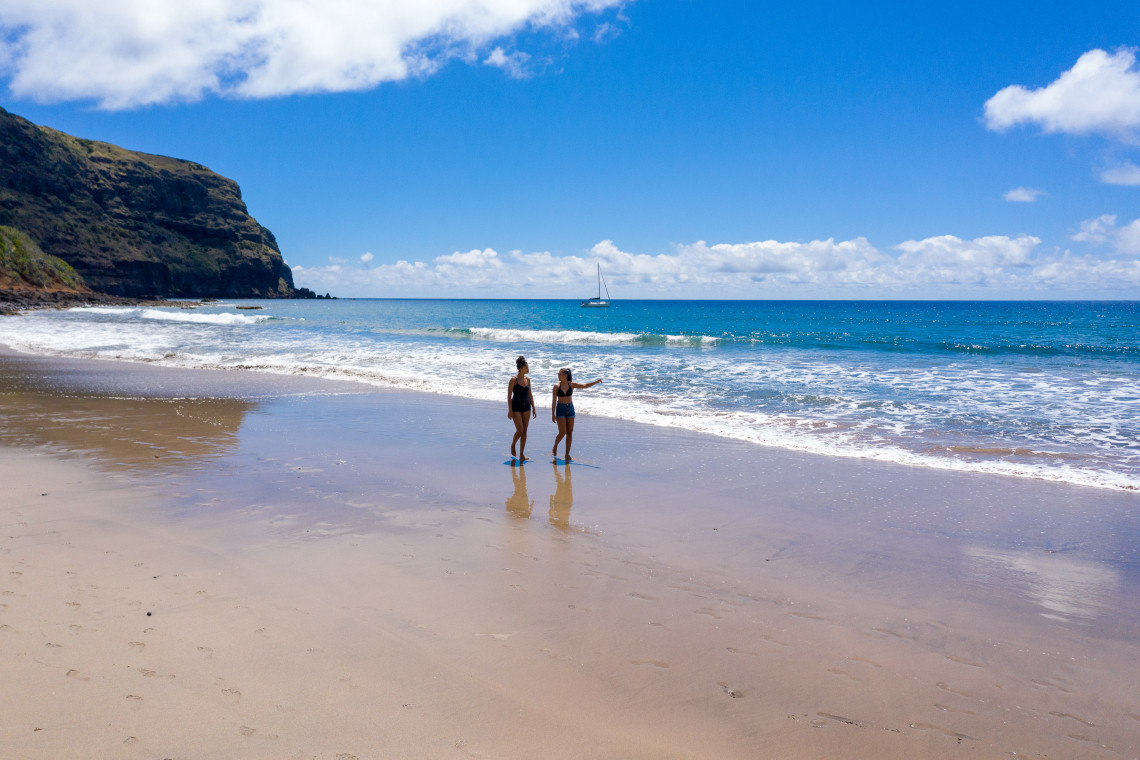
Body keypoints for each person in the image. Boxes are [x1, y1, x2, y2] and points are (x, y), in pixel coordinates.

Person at [551, 367, 602, 462]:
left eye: (560, 374)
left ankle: (567, 454)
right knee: (562, 433)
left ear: (566, 376)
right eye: (558, 374)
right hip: (560, 409)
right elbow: (554, 402)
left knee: (570, 433)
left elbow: (585, 385)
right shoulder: (556, 386)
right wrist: (553, 414)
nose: (558, 375)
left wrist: (596, 382)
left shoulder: (572, 384)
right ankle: (555, 446)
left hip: (570, 409)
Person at [508, 355, 536, 461]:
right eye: (526, 367)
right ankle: (513, 444)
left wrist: (534, 407)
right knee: (520, 430)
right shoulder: (513, 380)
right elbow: (509, 396)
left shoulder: (528, 380)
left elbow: (530, 394)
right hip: (516, 406)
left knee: (525, 431)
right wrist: (509, 410)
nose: (528, 369)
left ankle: (521, 454)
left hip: (526, 406)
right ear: (520, 368)